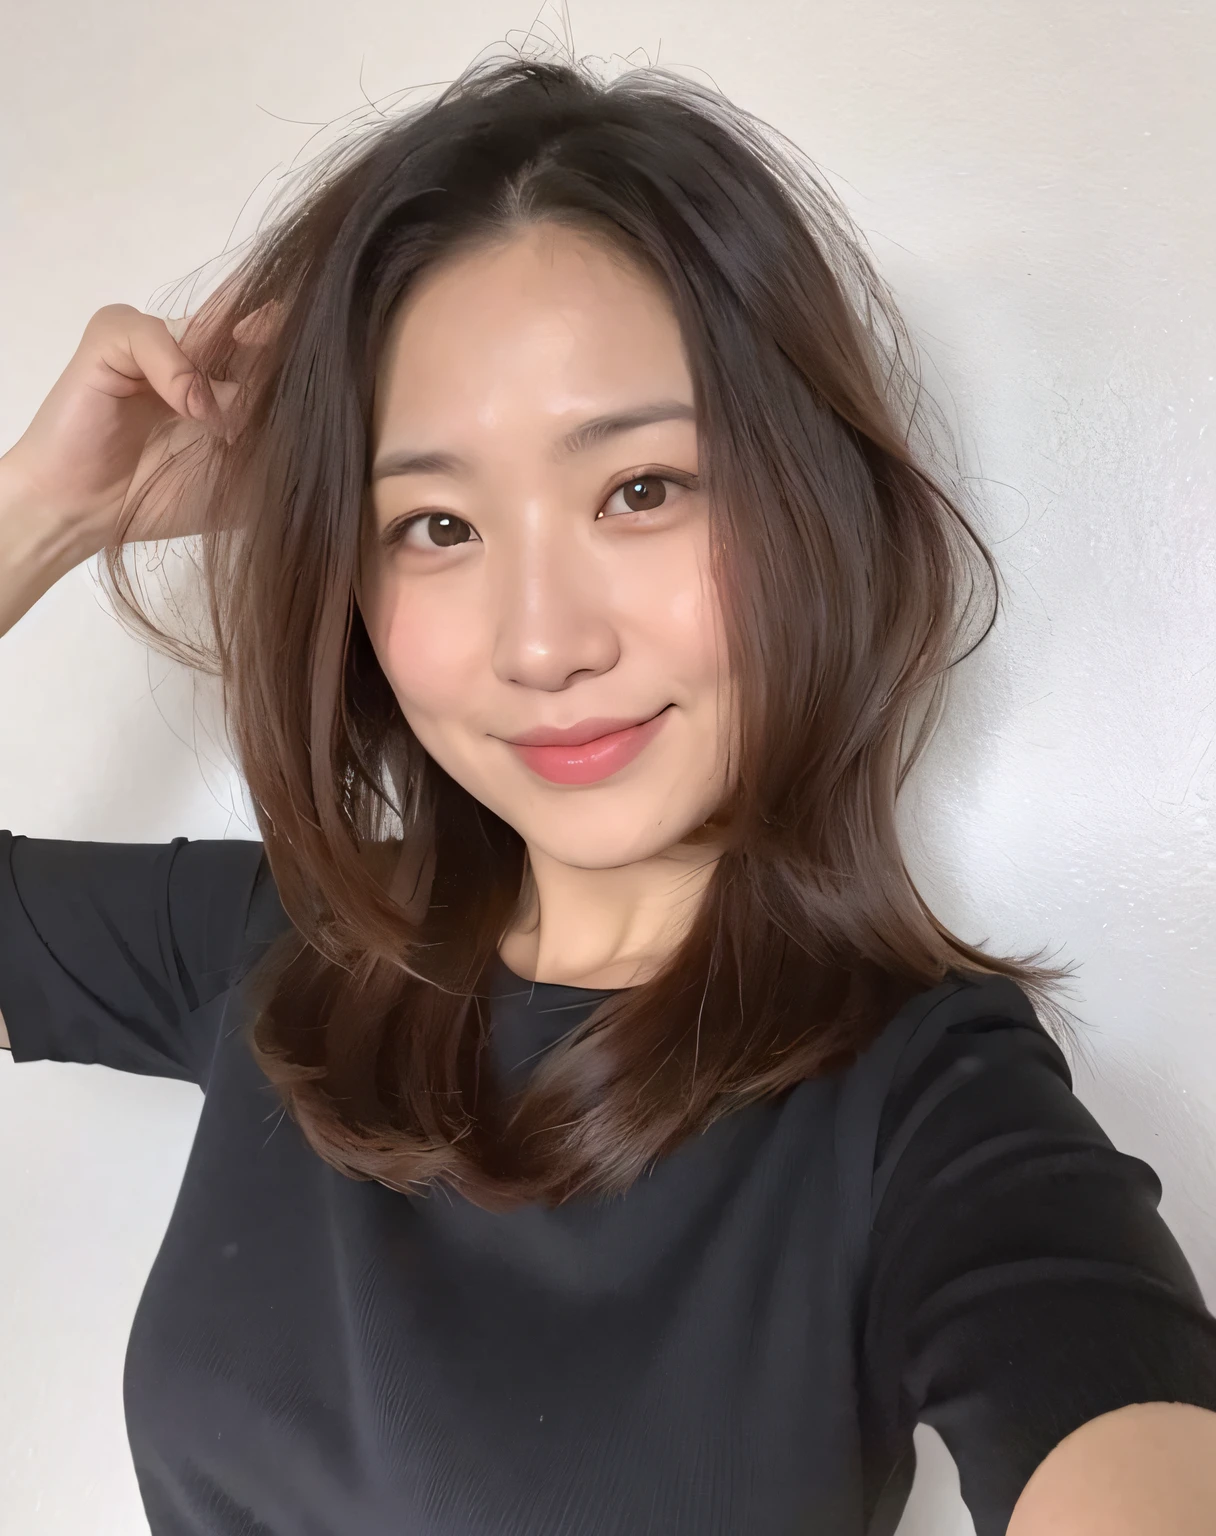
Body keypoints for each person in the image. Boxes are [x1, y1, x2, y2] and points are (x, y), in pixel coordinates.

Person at [1, 50, 1215, 1536]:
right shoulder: (282, 940)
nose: (544, 643)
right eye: (436, 524)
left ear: (807, 508)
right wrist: (46, 511)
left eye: (642, 490)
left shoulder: (928, 1100)